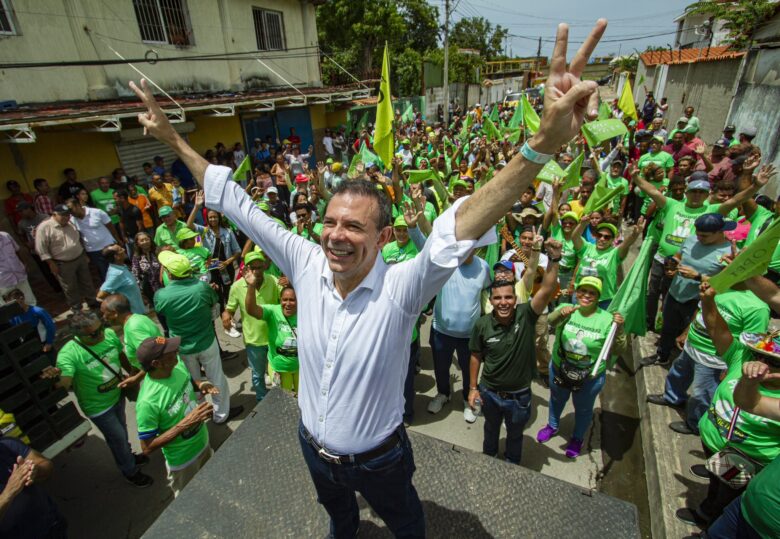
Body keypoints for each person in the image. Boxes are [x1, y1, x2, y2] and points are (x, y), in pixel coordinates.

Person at [128, 17, 610, 534]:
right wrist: (173, 138)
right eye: (330, 222)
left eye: (354, 226)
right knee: (339, 521)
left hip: (381, 460)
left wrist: (540, 145)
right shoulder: (305, 262)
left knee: (407, 524)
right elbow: (238, 204)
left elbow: (464, 223)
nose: (336, 235)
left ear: (382, 238)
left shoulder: (403, 288)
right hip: (312, 449)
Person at [675, 284, 780, 528]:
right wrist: (708, 301)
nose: (762, 362)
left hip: (747, 459)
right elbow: (716, 330)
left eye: (774, 360)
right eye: (761, 354)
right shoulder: (742, 357)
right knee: (716, 480)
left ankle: (706, 518)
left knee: (725, 499)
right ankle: (713, 477)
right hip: (714, 442)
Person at [468, 238, 562, 464]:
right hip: (489, 393)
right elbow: (475, 356)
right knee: (490, 430)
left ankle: (512, 464)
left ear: (516, 298)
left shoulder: (526, 315)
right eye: (498, 298)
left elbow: (547, 288)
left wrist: (555, 258)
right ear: (490, 300)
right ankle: (489, 458)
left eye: (508, 297)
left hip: (519, 397)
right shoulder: (482, 324)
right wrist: (473, 389)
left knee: (515, 435)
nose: (503, 302)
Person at [40, 311, 153, 487]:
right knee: (117, 439)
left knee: (122, 431)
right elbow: (65, 382)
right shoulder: (69, 354)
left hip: (117, 395)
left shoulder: (109, 335)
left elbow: (120, 355)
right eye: (93, 334)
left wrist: (131, 373)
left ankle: (129, 457)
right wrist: (54, 378)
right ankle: (130, 471)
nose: (100, 335)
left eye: (101, 328)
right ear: (78, 335)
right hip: (98, 408)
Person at [647, 288, 769, 435]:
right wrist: (686, 332)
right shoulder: (719, 285)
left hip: (713, 359)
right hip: (692, 345)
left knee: (702, 393)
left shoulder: (758, 308)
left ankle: (695, 424)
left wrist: (732, 369)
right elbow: (701, 311)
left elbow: (752, 344)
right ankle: (672, 397)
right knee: (678, 372)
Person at [537, 277, 627, 458]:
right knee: (556, 399)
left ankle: (577, 438)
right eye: (583, 291)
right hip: (560, 369)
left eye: (592, 292)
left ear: (599, 296)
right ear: (576, 293)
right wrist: (561, 314)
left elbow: (619, 350)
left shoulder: (608, 320)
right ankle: (552, 426)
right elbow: (551, 322)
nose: (586, 295)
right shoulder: (567, 308)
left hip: (590, 377)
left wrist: (619, 330)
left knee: (584, 409)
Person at [154, 251, 242, 424]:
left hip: (182, 348)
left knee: (193, 382)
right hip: (206, 342)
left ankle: (200, 414)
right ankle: (221, 415)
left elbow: (161, 313)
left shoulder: (161, 295)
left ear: (170, 274)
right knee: (216, 377)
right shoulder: (202, 288)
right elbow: (213, 302)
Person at [642, 213, 739, 368]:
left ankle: (682, 366)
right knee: (667, 328)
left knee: (690, 336)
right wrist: (672, 265)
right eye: (698, 234)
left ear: (719, 232)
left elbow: (727, 284)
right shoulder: (692, 239)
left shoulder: (729, 253)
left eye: (704, 236)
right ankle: (662, 355)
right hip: (675, 293)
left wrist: (698, 277)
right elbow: (678, 256)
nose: (699, 238)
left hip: (698, 302)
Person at [135, 336, 217, 497]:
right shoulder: (147, 402)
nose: (177, 351)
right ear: (157, 364)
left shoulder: (177, 364)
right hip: (184, 462)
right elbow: (147, 447)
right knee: (191, 500)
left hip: (204, 443)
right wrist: (185, 424)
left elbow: (187, 381)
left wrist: (200, 385)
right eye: (170, 351)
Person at [428, 250, 491, 423]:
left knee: (469, 370)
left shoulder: (484, 267)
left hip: (470, 336)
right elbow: (424, 245)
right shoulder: (445, 262)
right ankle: (443, 393)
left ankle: (468, 398)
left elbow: (486, 293)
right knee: (441, 367)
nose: (466, 248)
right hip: (441, 331)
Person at [223, 251, 279, 401]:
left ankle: (279, 399)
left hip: (275, 337)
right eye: (253, 268)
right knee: (257, 374)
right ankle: (261, 399)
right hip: (254, 339)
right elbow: (230, 308)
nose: (257, 271)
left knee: (278, 373)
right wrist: (226, 315)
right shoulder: (237, 287)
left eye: (260, 267)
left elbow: (286, 300)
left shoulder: (273, 280)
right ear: (246, 269)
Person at [35, 204, 99, 311]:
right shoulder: (44, 228)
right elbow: (41, 249)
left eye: (68, 215)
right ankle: (76, 307)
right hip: (63, 263)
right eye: (63, 215)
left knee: (87, 282)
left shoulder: (70, 222)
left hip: (79, 257)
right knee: (70, 287)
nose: (66, 217)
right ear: (54, 214)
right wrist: (51, 264)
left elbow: (78, 239)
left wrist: (84, 254)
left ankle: (92, 301)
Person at [0, 435, 66, 538]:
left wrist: (36, 470)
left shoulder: (7, 445)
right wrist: (9, 492)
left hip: (52, 526)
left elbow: (46, 464)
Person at [571, 217, 643, 309]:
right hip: (581, 296)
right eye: (599, 235)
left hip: (603, 300)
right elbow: (575, 237)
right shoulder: (586, 247)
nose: (602, 239)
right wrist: (582, 224)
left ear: (612, 240)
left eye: (607, 237)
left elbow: (626, 244)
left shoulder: (614, 253)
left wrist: (635, 234)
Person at [244, 277, 300, 393]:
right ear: (280, 300)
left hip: (301, 369)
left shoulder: (304, 313)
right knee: (283, 400)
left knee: (303, 399)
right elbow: (251, 310)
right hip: (279, 369)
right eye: (284, 300)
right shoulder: (273, 311)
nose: (288, 304)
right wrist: (251, 286)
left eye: (292, 300)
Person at [100, 293, 162, 381]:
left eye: (104, 313)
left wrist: (136, 379)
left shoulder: (133, 329)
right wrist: (132, 374)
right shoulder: (138, 318)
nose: (103, 317)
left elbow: (153, 358)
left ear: (114, 313)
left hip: (161, 376)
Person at [66, 197, 121, 281]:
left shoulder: (97, 212)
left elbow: (111, 227)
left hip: (109, 246)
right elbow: (79, 237)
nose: (70, 212)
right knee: (105, 274)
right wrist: (85, 253)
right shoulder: (72, 220)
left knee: (118, 270)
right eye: (68, 211)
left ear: (78, 205)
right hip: (93, 252)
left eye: (71, 209)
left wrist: (118, 241)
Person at [97, 245, 148, 314]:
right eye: (120, 249)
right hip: (132, 314)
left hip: (139, 309)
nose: (124, 249)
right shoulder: (116, 274)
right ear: (116, 256)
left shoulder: (122, 267)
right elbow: (100, 296)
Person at [0, 231, 37, 306]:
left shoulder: (6, 235)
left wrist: (23, 264)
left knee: (30, 301)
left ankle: (32, 313)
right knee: (11, 307)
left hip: (19, 274)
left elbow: (17, 250)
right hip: (4, 281)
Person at [114, 189, 144, 256]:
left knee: (139, 255)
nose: (115, 201)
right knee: (131, 256)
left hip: (136, 238)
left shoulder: (135, 210)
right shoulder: (121, 210)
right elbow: (121, 222)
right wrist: (124, 236)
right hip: (128, 238)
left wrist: (138, 240)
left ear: (122, 198)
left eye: (116, 199)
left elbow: (140, 227)